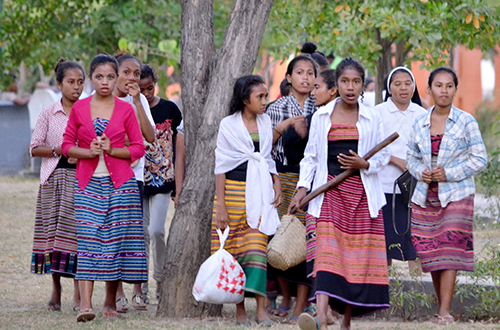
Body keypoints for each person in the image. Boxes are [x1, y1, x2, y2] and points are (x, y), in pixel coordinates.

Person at [289, 58, 391, 330]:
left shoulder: (372, 116)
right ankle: (321, 314)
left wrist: (365, 164)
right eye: (344, 81)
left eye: (356, 82)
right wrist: (301, 190)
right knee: (326, 250)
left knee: (354, 257)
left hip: (362, 194)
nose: (350, 87)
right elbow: (310, 158)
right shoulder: (322, 116)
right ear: (336, 85)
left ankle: (346, 320)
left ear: (362, 85)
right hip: (328, 192)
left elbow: (384, 156)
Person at [62, 53, 148, 322]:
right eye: (99, 77)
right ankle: (86, 305)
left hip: (121, 185)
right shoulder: (79, 108)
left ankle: (110, 302)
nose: (105, 82)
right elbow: (66, 146)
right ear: (91, 79)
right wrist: (88, 152)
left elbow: (138, 148)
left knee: (116, 244)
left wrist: (115, 150)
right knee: (88, 241)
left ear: (117, 79)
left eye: (111, 77)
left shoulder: (126, 110)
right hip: (87, 185)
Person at [406, 67, 487, 325]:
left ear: (455, 89)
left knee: (449, 248)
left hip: (456, 194)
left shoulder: (466, 121)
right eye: (438, 86)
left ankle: (444, 310)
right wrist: (421, 171)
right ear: (429, 89)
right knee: (431, 251)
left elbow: (480, 159)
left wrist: (448, 173)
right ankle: (441, 307)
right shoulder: (419, 122)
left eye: (449, 86)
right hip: (424, 194)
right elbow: (410, 158)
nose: (444, 91)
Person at [212, 75, 282, 327]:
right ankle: (240, 310)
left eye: (266, 96)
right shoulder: (228, 125)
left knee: (257, 250)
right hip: (231, 194)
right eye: (260, 97)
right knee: (233, 252)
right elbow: (221, 166)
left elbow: (267, 157)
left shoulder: (266, 122)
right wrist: (220, 206)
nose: (265, 101)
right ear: (244, 99)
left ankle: (261, 310)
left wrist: (276, 182)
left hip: (259, 194)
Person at [30, 58, 85, 312]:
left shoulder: (89, 111)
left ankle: (78, 293)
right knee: (52, 237)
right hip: (53, 181)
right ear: (59, 83)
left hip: (81, 181)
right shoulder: (48, 113)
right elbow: (34, 148)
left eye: (80, 82)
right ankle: (56, 289)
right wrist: (59, 149)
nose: (76, 87)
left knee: (77, 236)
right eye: (71, 82)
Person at [265, 54, 318, 322]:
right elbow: (264, 146)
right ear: (289, 77)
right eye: (300, 72)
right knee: (279, 235)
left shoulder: (321, 106)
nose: (305, 77)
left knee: (306, 239)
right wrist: (285, 126)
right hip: (281, 177)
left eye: (310, 73)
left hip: (311, 182)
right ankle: (285, 295)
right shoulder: (275, 108)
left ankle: (300, 303)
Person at [112, 53, 155, 311]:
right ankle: (116, 291)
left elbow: (149, 135)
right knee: (114, 232)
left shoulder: (137, 100)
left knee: (135, 233)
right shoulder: (100, 101)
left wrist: (137, 102)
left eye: (136, 74)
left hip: (133, 175)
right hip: (106, 174)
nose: (131, 78)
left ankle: (138, 290)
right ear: (115, 73)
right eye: (126, 72)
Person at [375, 67, 426, 272]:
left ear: (414, 87)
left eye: (407, 83)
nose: (403, 88)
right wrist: (397, 160)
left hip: (416, 185)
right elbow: (372, 148)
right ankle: (385, 285)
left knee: (414, 236)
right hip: (385, 183)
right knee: (386, 237)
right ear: (389, 88)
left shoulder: (422, 114)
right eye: (397, 84)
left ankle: (416, 281)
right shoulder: (378, 112)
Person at [139, 64, 182, 301]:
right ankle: (141, 287)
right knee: (142, 233)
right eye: (141, 89)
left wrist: (178, 182)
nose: (146, 93)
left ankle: (161, 281)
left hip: (164, 179)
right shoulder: (133, 109)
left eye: (150, 88)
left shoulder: (170, 109)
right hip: (139, 179)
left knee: (156, 230)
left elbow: (179, 146)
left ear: (155, 84)